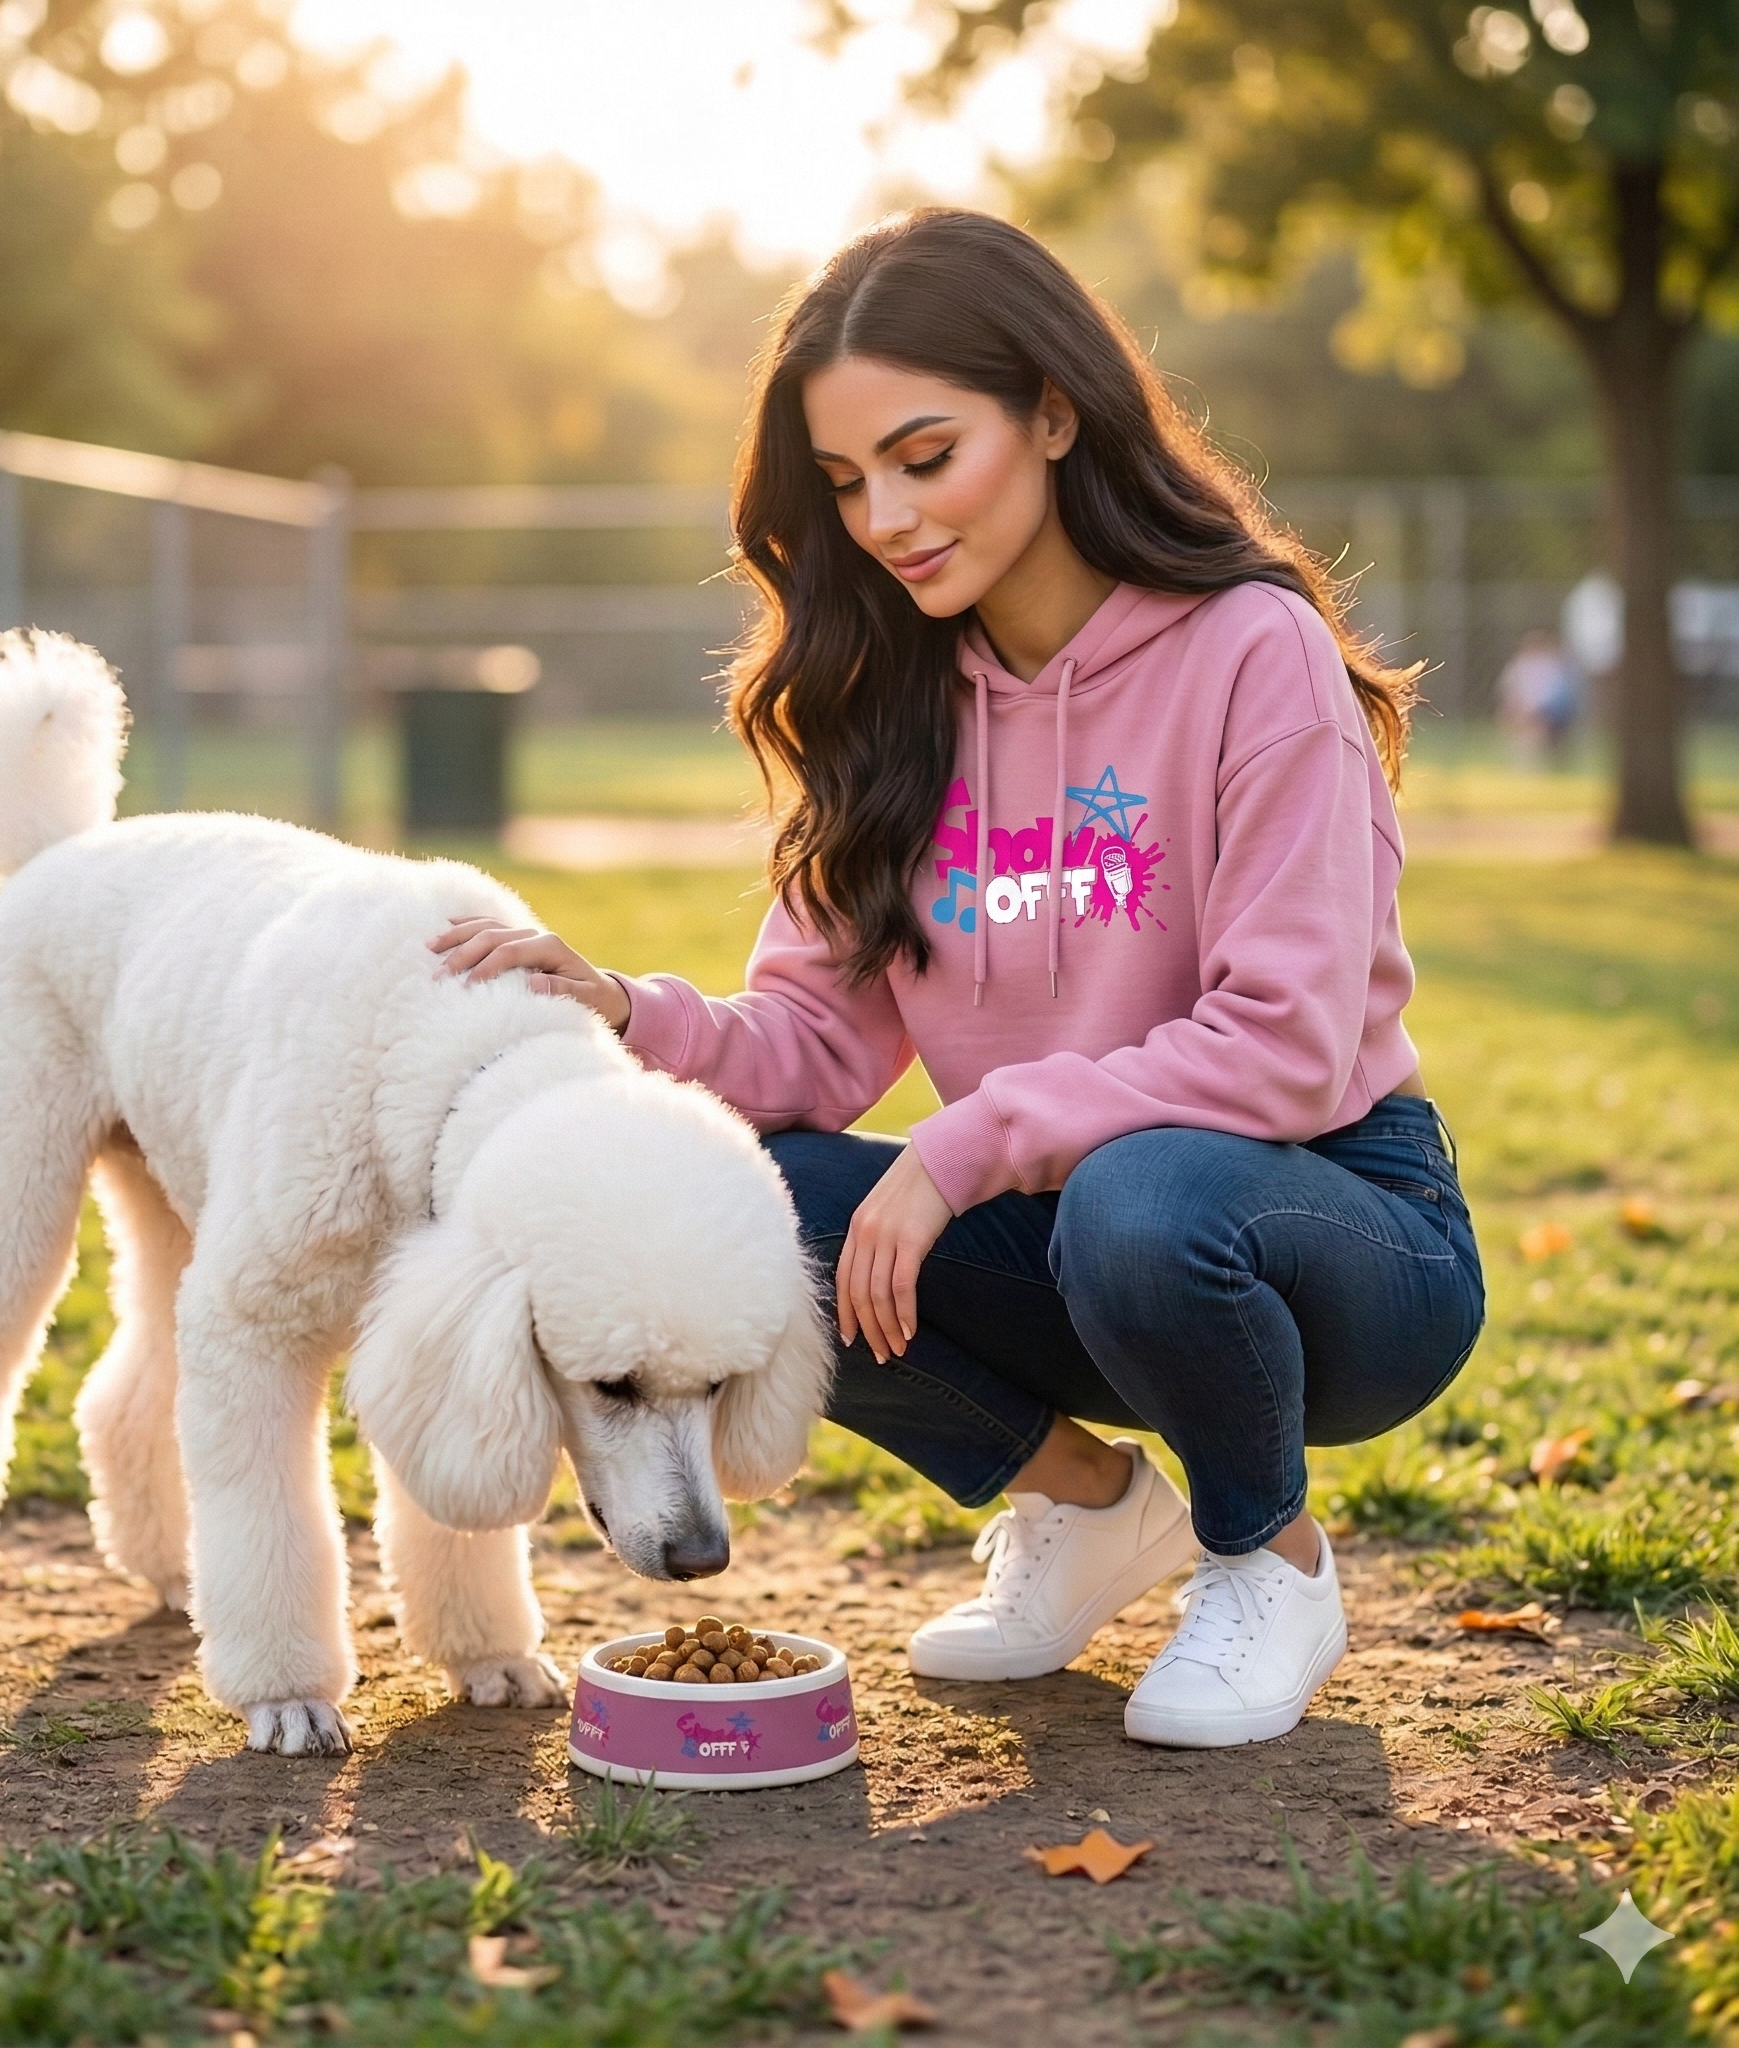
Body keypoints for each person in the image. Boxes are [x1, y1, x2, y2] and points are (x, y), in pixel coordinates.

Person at [429, 209, 1486, 1750]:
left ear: (1054, 411)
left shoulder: (1252, 650)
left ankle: (1270, 1559)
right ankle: (1090, 1510)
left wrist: (963, 1145)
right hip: (1062, 1241)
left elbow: (1289, 1045)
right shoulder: (890, 699)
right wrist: (624, 1012)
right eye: (848, 484)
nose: (889, 518)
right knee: (762, 1205)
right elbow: (805, 1043)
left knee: (1144, 1196)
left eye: (928, 457)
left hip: (1332, 1234)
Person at [1496, 627, 1582, 769]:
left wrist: (1533, 708)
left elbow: (1554, 694)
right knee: (1511, 720)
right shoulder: (1520, 664)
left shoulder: (1552, 665)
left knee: (1535, 725)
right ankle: (1522, 761)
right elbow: (1509, 688)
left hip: (1547, 709)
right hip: (1524, 707)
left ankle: (1534, 763)